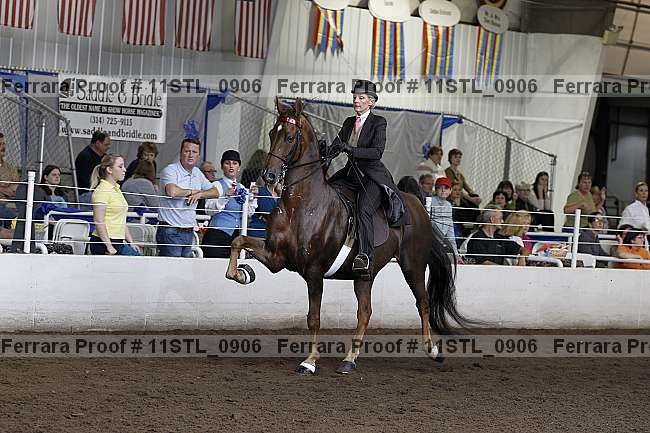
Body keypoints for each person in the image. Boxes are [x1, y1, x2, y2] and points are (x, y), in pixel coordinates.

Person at [328, 79, 406, 278]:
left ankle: (365, 256)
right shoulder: (348, 122)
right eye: (355, 97)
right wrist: (323, 152)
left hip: (371, 176)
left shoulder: (378, 122)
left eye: (361, 98)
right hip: (351, 174)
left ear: (371, 102)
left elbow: (377, 152)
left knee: (363, 208)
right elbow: (336, 147)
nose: (356, 101)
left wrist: (351, 150)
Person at [157, 138, 220, 258]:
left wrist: (200, 194)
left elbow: (215, 192)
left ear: (198, 155)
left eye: (194, 152)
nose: (191, 155)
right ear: (181, 153)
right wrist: (192, 191)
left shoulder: (197, 172)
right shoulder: (170, 170)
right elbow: (172, 191)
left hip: (189, 230)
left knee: (184, 268)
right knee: (173, 268)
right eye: (187, 151)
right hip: (170, 229)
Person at [202, 150, 258, 258]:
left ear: (239, 167)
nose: (231, 166)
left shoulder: (242, 187)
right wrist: (225, 197)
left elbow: (248, 213)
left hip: (235, 238)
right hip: (217, 236)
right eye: (227, 163)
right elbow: (208, 210)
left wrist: (253, 199)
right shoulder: (216, 185)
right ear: (222, 167)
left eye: (235, 163)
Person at [90, 154, 141, 256]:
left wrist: (131, 242)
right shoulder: (102, 191)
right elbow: (99, 221)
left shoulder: (116, 189)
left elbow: (121, 220)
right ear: (109, 169)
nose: (125, 170)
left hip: (117, 241)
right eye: (120, 166)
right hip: (104, 243)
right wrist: (109, 246)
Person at [429, 177, 459, 257]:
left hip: (440, 245)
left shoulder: (448, 205)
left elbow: (450, 230)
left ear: (450, 191)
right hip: (429, 243)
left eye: (446, 188)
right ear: (436, 190)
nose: (443, 190)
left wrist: (456, 254)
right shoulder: (429, 201)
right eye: (440, 188)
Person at [0, 132, 19, 229]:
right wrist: (6, 187)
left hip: (7, 205)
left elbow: (15, 190)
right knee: (13, 217)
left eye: (4, 144)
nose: (3, 147)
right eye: (0, 144)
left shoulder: (10, 167)